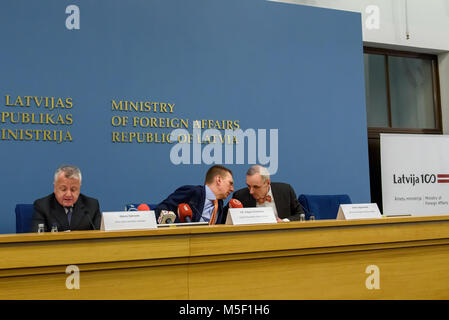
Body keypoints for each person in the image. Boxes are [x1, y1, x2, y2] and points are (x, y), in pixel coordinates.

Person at [31, 165, 101, 232]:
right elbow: (38, 239)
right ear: (55, 187)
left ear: (79, 188)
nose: (68, 194)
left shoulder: (92, 206)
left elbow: (100, 237)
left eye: (73, 189)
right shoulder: (43, 206)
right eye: (63, 189)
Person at [156, 165, 234, 224]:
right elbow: (161, 209)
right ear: (219, 180)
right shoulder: (193, 192)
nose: (232, 189)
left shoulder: (219, 203)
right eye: (230, 183)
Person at [229, 165, 304, 222]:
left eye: (256, 187)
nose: (251, 191)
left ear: (268, 182)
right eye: (248, 186)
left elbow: (300, 214)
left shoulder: (285, 190)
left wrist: (284, 222)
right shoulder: (240, 196)